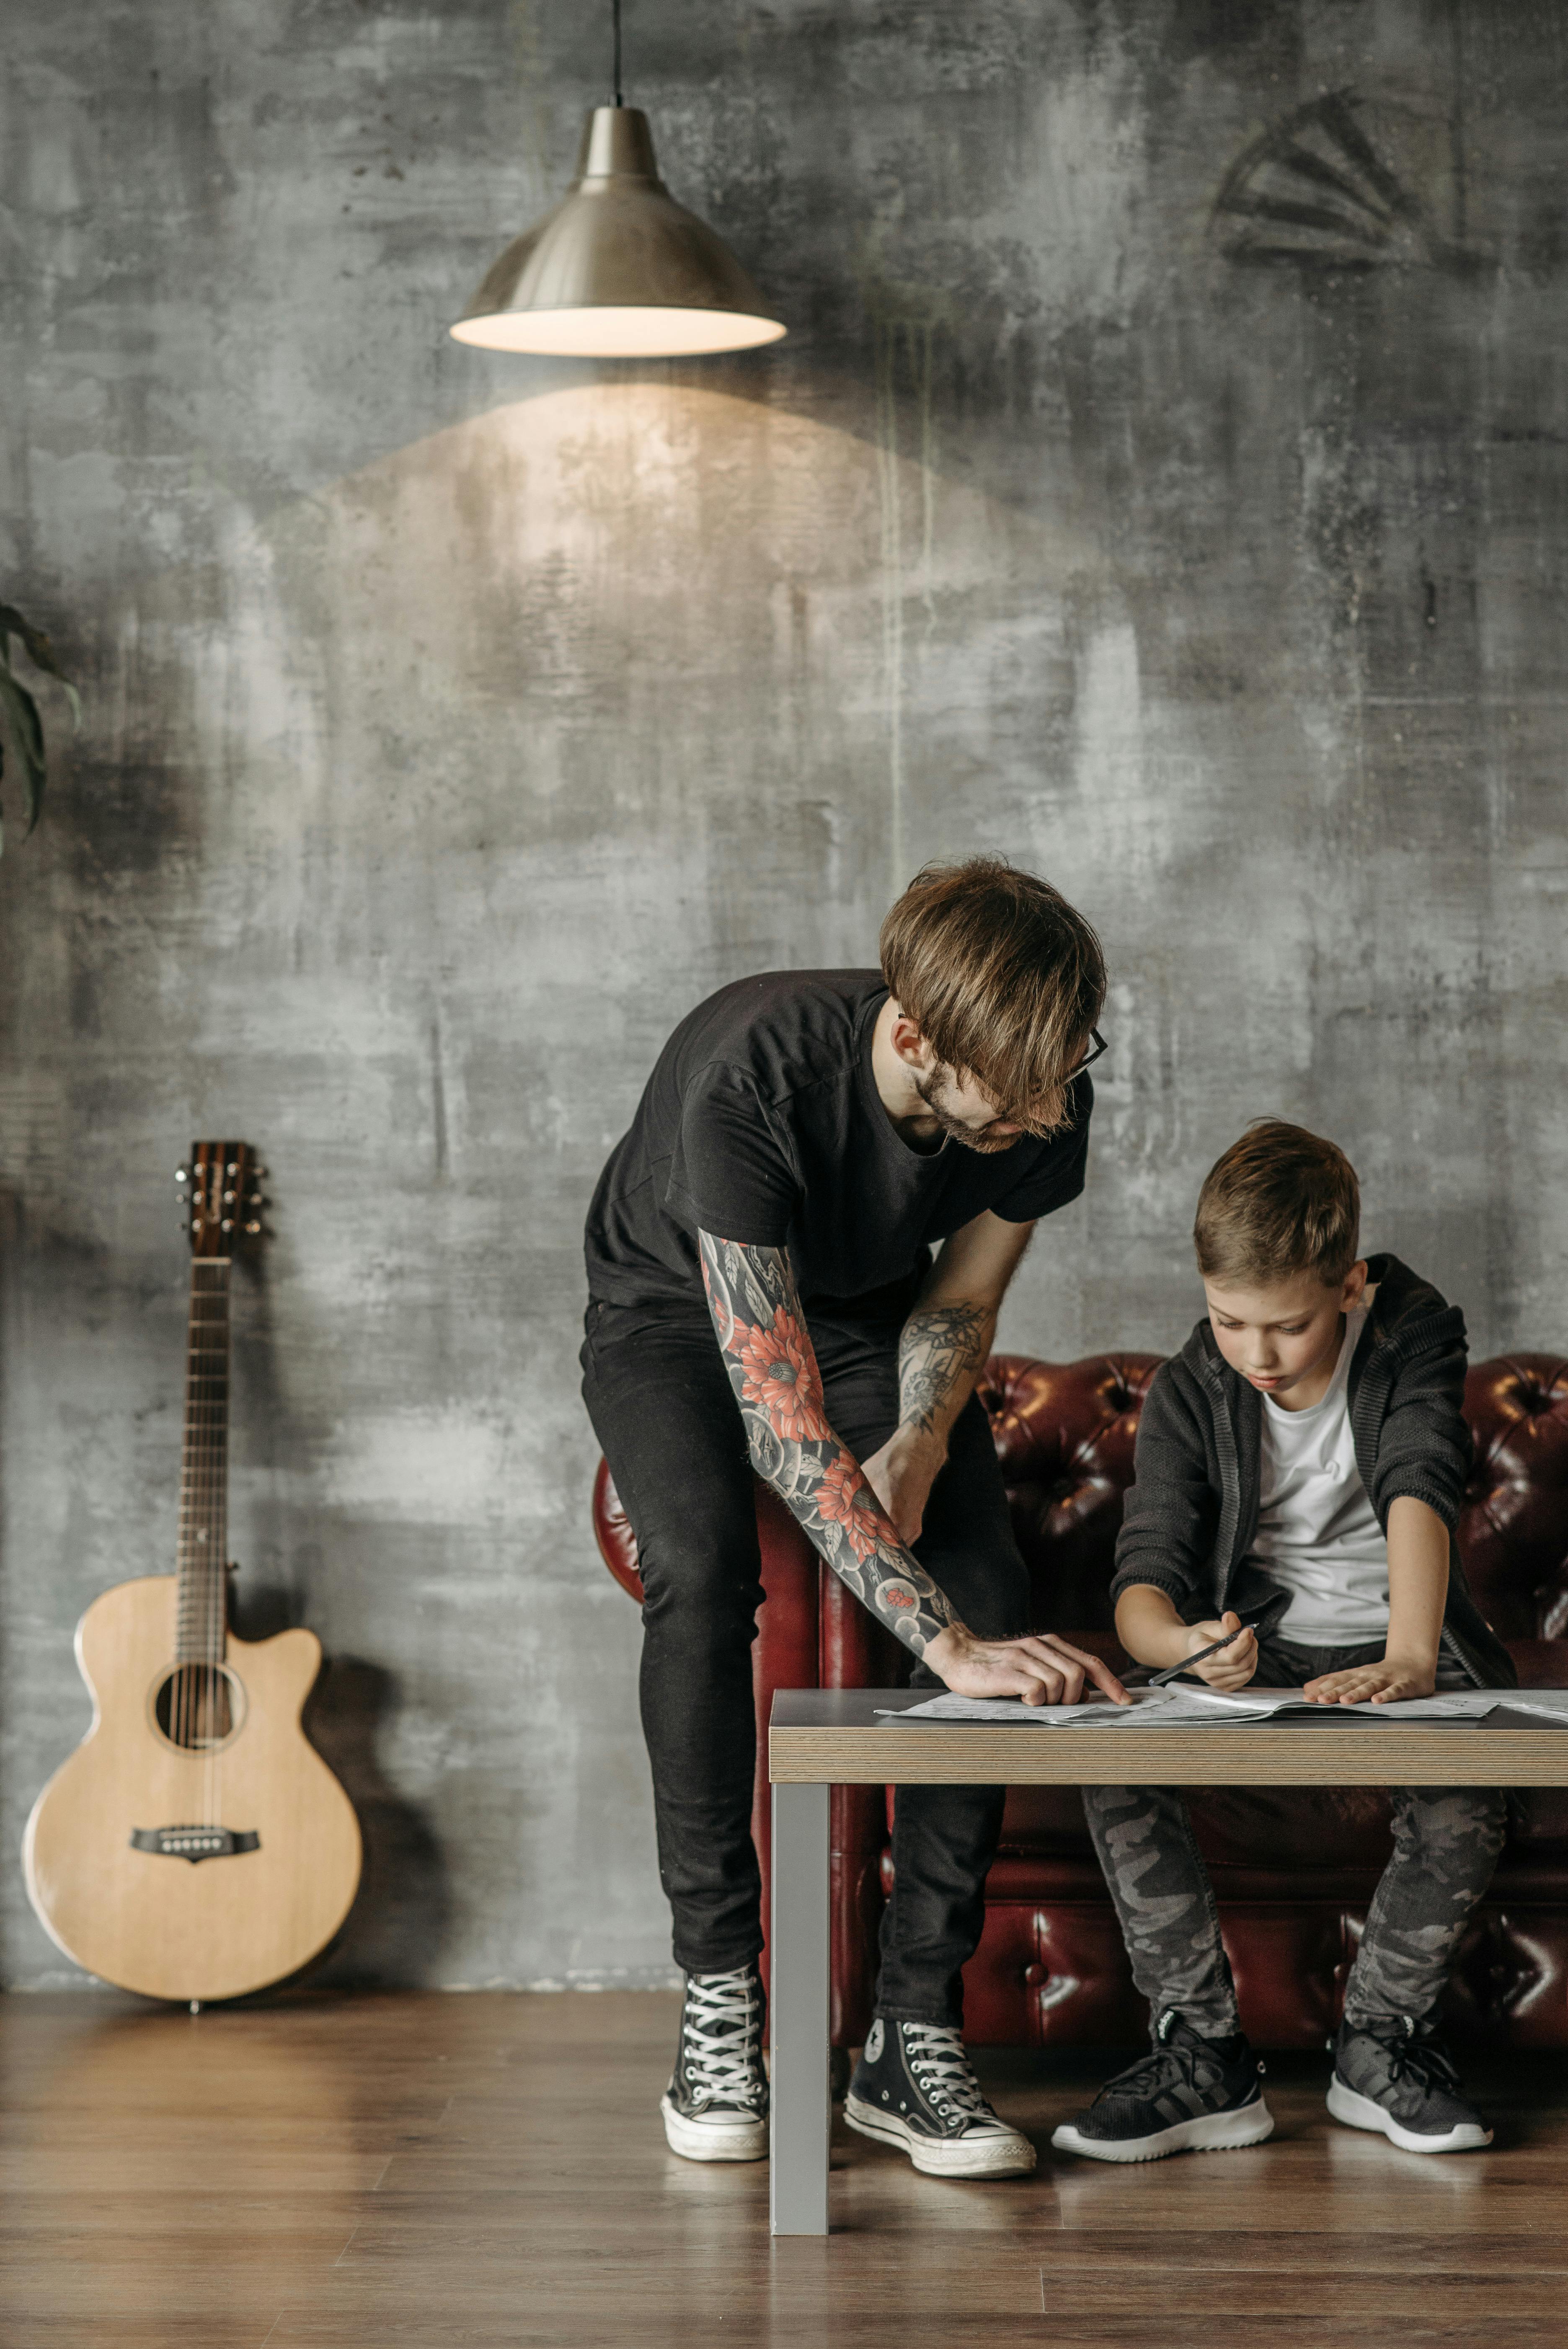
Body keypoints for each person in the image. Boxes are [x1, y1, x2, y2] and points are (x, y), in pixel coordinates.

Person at [581, 857, 1129, 2180]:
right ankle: (721, 1994)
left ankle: (910, 2033)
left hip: (870, 1318)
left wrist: (927, 1442)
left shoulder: (1044, 1094)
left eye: (1067, 1071)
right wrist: (942, 1652)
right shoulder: (753, 1083)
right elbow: (777, 1416)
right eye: (1021, 1087)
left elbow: (957, 1304)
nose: (1052, 1108)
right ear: (913, 1037)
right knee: (704, 1570)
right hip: (670, 1306)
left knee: (988, 1585)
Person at [1053, 1119, 1515, 2166]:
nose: (1257, 1354)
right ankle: (1206, 2055)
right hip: (1265, 1652)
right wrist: (1185, 1639)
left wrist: (1409, 1657)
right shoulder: (1189, 1387)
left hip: (1397, 1635)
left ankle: (1380, 2042)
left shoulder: (1412, 1333)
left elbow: (1419, 1478)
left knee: (1469, 1787)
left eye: (1289, 1326)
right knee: (1111, 1759)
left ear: (1349, 1286)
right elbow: (1143, 1579)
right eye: (1229, 1321)